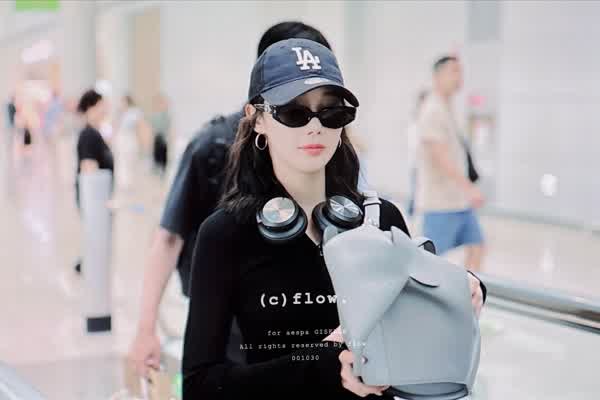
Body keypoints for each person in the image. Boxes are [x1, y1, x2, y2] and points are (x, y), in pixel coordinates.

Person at [182, 38, 486, 399]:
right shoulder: (226, 234)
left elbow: (417, 338)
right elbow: (200, 385)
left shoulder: (379, 220)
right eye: (293, 112)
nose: (315, 127)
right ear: (257, 118)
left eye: (331, 112)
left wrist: (463, 291)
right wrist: (323, 365)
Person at [127, 21, 336, 378]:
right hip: (234, 324)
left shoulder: (325, 141)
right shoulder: (212, 146)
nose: (312, 121)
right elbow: (169, 237)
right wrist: (145, 328)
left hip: (311, 317)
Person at [415, 56, 485, 271]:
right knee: (430, 259)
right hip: (440, 203)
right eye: (453, 71)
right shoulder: (432, 109)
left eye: (460, 71)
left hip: (459, 201)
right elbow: (440, 157)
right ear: (437, 76)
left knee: (477, 246)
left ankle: (468, 288)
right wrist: (468, 187)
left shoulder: (448, 107)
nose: (458, 77)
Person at [73, 89, 114, 273]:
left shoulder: (95, 133)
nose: (105, 109)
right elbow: (89, 168)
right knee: (95, 237)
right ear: (91, 107)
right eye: (101, 105)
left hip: (98, 198)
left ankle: (89, 266)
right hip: (94, 199)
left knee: (96, 238)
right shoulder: (89, 135)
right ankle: (89, 268)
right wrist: (100, 201)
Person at [405, 89, 428, 216]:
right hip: (417, 165)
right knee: (416, 195)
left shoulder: (422, 121)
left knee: (417, 195)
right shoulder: (416, 123)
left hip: (421, 165)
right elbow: (415, 146)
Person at [148, 93, 172, 174]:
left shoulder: (166, 115)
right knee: (156, 157)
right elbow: (151, 128)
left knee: (163, 157)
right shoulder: (154, 115)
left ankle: (162, 171)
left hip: (164, 138)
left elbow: (169, 128)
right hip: (157, 138)